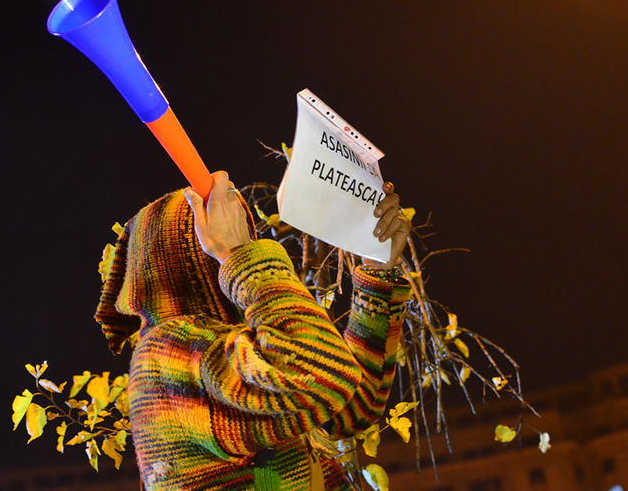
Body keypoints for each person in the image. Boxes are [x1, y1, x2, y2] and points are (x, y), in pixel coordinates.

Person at [94, 171, 411, 490]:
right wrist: (238, 255)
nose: (244, 236)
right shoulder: (164, 357)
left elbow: (354, 408)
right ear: (179, 255)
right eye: (223, 228)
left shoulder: (235, 348)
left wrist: (378, 270)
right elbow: (323, 377)